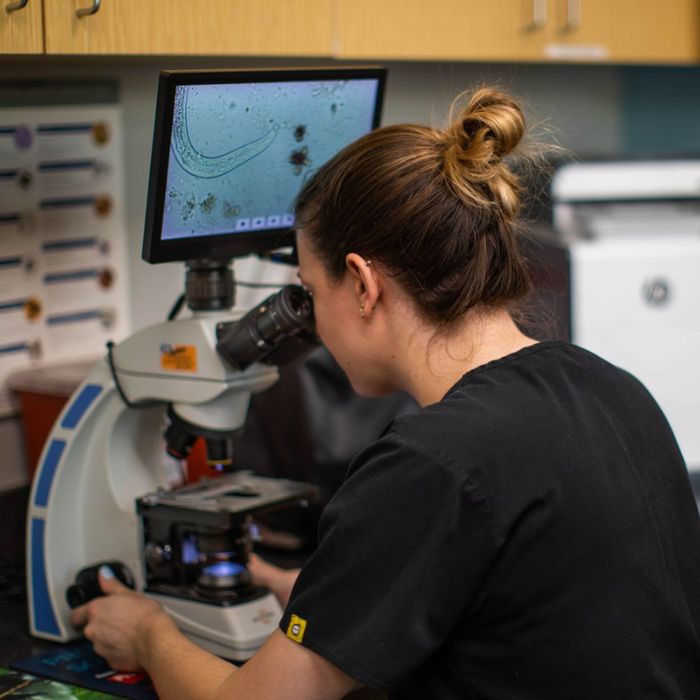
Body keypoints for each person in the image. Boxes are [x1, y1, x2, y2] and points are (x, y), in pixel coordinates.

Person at [70, 87, 700, 699]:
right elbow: (528, 610)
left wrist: (149, 635)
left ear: (363, 285)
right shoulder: (611, 388)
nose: (312, 324)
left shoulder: (431, 462)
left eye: (311, 294)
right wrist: (307, 591)